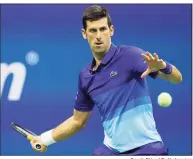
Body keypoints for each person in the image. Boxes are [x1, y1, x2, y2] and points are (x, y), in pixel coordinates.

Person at [30, 5, 182, 155]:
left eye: (103, 29)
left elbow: (176, 78)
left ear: (111, 30)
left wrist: (163, 66)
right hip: (111, 151)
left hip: (147, 148)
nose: (98, 36)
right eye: (93, 30)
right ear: (84, 33)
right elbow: (78, 121)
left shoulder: (131, 56)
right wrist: (45, 139)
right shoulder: (85, 76)